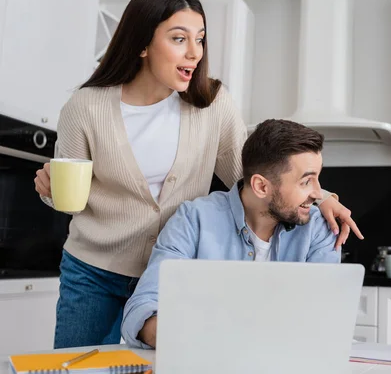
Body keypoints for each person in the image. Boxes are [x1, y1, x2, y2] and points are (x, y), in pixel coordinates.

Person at [33, 0, 362, 349]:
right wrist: (50, 191)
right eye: (179, 38)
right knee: (77, 366)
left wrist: (322, 196)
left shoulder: (212, 103)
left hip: (174, 272)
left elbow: (257, 174)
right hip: (94, 272)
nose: (194, 52)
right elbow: (70, 199)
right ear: (142, 44)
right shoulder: (85, 106)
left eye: (200, 39)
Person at [122, 119, 341, 348]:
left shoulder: (318, 229)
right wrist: (195, 336)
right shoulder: (194, 219)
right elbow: (142, 308)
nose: (318, 193)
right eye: (307, 181)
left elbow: (324, 317)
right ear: (261, 187)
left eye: (318, 179)